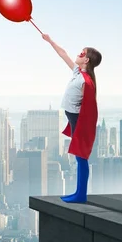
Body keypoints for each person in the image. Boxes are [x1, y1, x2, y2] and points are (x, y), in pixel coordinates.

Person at [42, 34, 101, 203]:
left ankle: (80, 194)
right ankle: (79, 193)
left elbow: (90, 109)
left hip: (79, 121)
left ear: (87, 60)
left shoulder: (86, 82)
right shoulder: (78, 72)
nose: (78, 54)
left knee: (81, 157)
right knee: (79, 157)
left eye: (82, 53)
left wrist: (84, 131)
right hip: (74, 119)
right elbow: (63, 54)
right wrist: (50, 41)